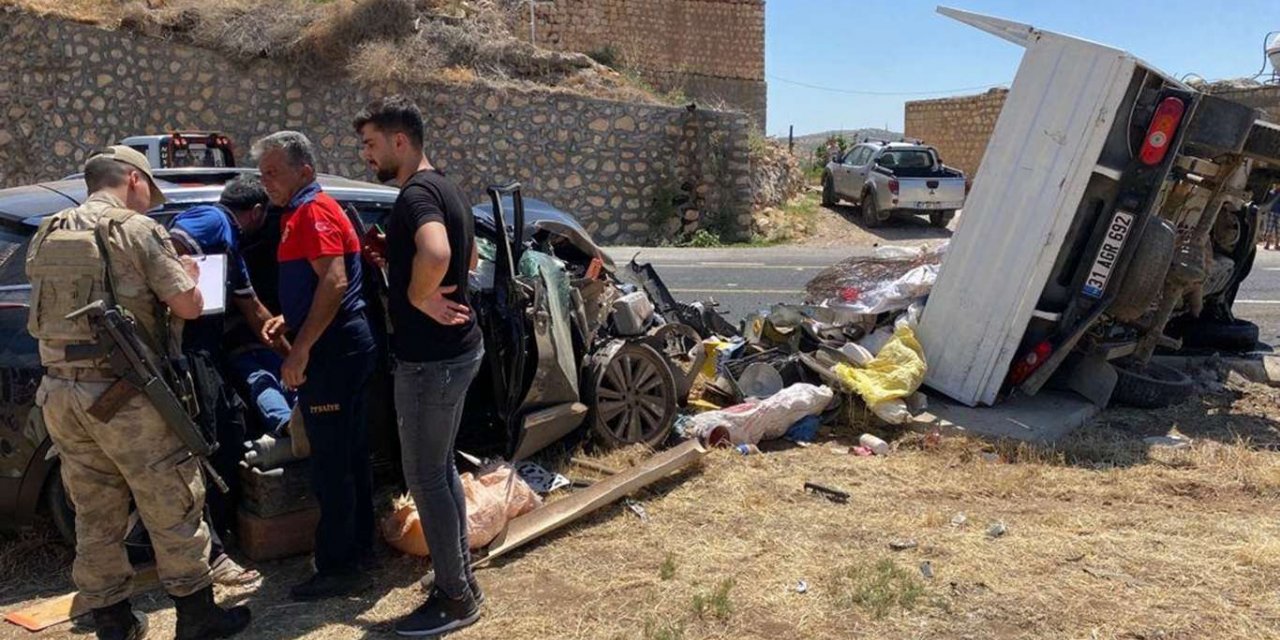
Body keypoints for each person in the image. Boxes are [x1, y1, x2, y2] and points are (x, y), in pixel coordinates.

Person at [25, 146, 250, 640]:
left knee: (94, 509)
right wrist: (189, 279)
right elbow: (188, 308)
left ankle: (112, 620)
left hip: (62, 395)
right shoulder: (136, 230)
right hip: (127, 394)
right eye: (150, 187)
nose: (150, 199)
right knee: (172, 502)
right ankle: (196, 616)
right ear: (132, 179)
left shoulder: (50, 229)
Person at [354, 95, 483, 636]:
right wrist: (398, 257)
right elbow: (471, 256)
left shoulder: (414, 195)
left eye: (370, 144)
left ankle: (455, 599)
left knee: (426, 477)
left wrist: (416, 292)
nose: (365, 156)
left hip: (431, 361)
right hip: (456, 353)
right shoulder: (445, 186)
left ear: (399, 142)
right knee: (441, 471)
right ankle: (461, 581)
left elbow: (438, 254)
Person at [252, 131, 378, 601]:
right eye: (262, 173)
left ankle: (340, 567)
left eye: (273, 172)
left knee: (332, 464)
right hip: (341, 345)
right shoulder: (305, 211)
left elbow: (335, 281)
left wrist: (300, 348)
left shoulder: (313, 211)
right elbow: (322, 282)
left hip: (333, 352)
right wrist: (292, 317)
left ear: (304, 171)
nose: (266, 182)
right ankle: (357, 551)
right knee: (347, 455)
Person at [170, 176, 295, 438]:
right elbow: (168, 247)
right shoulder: (214, 219)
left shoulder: (231, 250)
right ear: (258, 212)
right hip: (186, 348)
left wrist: (293, 356)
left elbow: (255, 311)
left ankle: (294, 425)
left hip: (205, 351)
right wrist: (181, 282)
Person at [1265, 185, 1280, 251]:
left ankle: (1276, 245)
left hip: (1279, 213)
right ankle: (1267, 244)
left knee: (1278, 230)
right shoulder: (1271, 192)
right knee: (1269, 229)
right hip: (1271, 212)